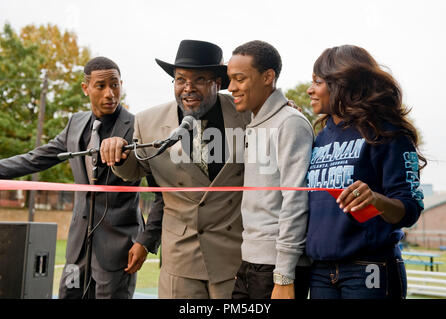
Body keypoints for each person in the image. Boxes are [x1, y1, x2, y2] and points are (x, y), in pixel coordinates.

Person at [100, 40, 250, 299]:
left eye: (199, 79)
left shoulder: (249, 116)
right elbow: (136, 171)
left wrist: (283, 109)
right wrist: (119, 153)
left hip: (234, 259)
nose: (188, 88)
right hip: (180, 260)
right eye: (180, 79)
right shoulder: (147, 122)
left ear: (217, 82)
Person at [0, 56, 160, 299]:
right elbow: (35, 159)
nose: (110, 93)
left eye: (115, 85)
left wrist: (145, 241)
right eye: (101, 86)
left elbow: (159, 191)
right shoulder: (75, 123)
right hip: (77, 249)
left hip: (119, 249)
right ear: (85, 88)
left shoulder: (137, 126)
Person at [305, 45, 426, 299]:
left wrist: (375, 199)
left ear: (341, 84)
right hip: (320, 271)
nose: (310, 89)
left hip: (369, 268)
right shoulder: (319, 137)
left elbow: (410, 208)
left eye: (317, 82)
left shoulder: (388, 133)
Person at [226, 40, 313, 299]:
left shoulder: (290, 123)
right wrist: (247, 262)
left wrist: (284, 273)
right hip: (252, 263)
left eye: (239, 79)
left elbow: (295, 199)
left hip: (278, 267)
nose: (231, 87)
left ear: (268, 77)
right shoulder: (255, 122)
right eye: (230, 79)